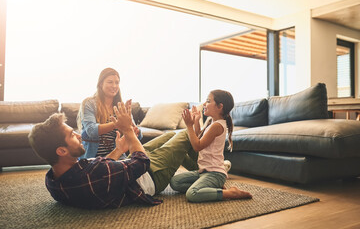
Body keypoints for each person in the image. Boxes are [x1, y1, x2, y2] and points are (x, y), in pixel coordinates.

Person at [28, 102, 195, 209]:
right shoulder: (93, 173)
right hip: (150, 175)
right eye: (72, 134)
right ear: (62, 151)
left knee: (168, 137)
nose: (79, 135)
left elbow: (99, 169)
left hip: (130, 165)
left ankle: (196, 168)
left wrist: (120, 150)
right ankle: (206, 170)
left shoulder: (53, 181)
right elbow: (142, 162)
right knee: (185, 134)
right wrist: (128, 130)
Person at [170, 90, 252, 202]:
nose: (204, 104)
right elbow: (199, 139)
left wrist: (189, 125)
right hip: (203, 172)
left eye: (208, 101)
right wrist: (196, 122)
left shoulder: (217, 126)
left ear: (219, 106)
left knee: (192, 194)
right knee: (175, 182)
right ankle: (210, 188)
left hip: (215, 174)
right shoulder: (212, 123)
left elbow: (197, 146)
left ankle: (230, 193)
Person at [77, 67, 142, 159]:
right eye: (110, 82)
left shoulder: (121, 108)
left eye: (117, 82)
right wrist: (117, 124)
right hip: (93, 159)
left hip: (117, 157)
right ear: (100, 84)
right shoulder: (89, 103)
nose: (114, 86)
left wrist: (131, 126)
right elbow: (91, 130)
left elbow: (137, 137)